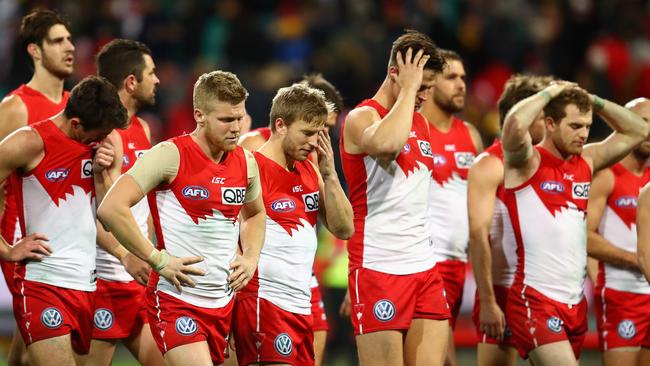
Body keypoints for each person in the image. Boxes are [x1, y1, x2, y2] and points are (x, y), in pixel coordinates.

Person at [97, 70, 266, 366]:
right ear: (199, 115)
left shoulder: (246, 162)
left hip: (224, 303)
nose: (236, 128)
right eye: (226, 120)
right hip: (177, 302)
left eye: (239, 118)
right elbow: (111, 208)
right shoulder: (169, 155)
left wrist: (251, 257)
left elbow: (255, 214)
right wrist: (156, 259)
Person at [501, 81, 649, 365]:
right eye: (575, 126)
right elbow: (514, 126)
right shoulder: (527, 162)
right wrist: (549, 93)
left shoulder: (587, 161)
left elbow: (638, 130)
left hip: (574, 304)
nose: (583, 134)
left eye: (587, 126)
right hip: (535, 299)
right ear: (550, 123)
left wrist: (594, 99)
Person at [0, 76, 128, 365]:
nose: (104, 139)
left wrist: (102, 175)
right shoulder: (30, 141)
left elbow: (108, 216)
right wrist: (6, 249)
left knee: (22, 361)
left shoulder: (99, 149)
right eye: (99, 133)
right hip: (42, 281)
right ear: (76, 125)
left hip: (85, 284)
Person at [340, 30, 450, 366]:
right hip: (378, 267)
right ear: (395, 74)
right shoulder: (363, 117)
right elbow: (387, 145)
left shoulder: (420, 123)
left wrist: (412, 92)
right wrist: (410, 89)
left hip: (424, 268)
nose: (425, 95)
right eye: (422, 84)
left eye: (429, 86)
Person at [232, 83, 353, 365]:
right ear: (280, 125)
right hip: (264, 300)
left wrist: (330, 174)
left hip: (300, 304)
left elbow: (344, 228)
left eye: (320, 134)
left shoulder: (310, 169)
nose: (313, 142)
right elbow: (225, 235)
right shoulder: (251, 168)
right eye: (307, 133)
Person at [0, 10, 74, 364]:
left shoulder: (77, 106)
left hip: (68, 241)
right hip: (25, 239)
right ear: (35, 51)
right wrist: (5, 246)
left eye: (70, 39)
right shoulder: (16, 108)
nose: (69, 47)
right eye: (58, 41)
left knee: (30, 347)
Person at [86, 38, 164, 366]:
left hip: (138, 276)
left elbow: (142, 206)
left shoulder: (143, 128)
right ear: (131, 82)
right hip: (106, 280)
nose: (158, 80)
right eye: (152, 73)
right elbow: (95, 215)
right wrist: (125, 255)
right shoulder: (105, 138)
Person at [468, 74, 551, 366]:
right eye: (543, 117)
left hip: (545, 291)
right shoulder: (490, 165)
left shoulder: (548, 164)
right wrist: (489, 302)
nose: (549, 124)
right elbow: (478, 236)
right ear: (523, 119)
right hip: (504, 291)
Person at [418, 49, 482, 366]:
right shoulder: (413, 131)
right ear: (428, 84)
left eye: (463, 78)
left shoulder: (470, 135)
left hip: (458, 263)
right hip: (427, 260)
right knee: (444, 357)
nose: (461, 85)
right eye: (451, 78)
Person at [588, 98, 650, 366]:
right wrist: (635, 259)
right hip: (619, 294)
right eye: (643, 122)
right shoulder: (606, 175)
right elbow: (584, 237)